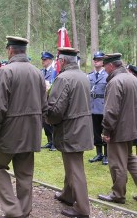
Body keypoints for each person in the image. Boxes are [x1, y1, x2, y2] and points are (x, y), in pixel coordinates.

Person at [0, 36, 47, 218]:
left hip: (8, 132)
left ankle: (13, 211)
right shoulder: (37, 72)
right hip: (31, 132)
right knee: (25, 173)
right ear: (24, 51)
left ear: (10, 50)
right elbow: (45, 105)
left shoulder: (6, 72)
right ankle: (24, 211)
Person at [46, 47, 93, 218]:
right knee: (71, 165)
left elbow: (56, 109)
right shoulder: (83, 76)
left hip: (70, 129)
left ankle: (82, 208)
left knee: (75, 169)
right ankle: (67, 194)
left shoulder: (64, 78)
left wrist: (47, 117)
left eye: (58, 60)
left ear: (63, 61)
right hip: (82, 127)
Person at [98, 53, 137, 204]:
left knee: (117, 163)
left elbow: (111, 110)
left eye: (105, 66)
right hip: (131, 128)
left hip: (118, 130)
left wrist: (106, 131)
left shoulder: (115, 82)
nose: (104, 69)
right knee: (130, 160)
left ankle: (118, 194)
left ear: (111, 65)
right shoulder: (133, 78)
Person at [88, 51, 109, 165]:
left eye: (99, 59)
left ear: (103, 62)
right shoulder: (90, 75)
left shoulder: (107, 75)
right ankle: (99, 153)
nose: (96, 61)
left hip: (103, 107)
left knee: (105, 131)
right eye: (95, 59)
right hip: (92, 107)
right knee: (95, 132)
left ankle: (107, 155)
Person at [40, 51, 56, 151]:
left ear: (50, 60)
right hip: (43, 100)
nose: (43, 61)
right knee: (45, 122)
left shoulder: (54, 72)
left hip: (52, 99)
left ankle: (55, 142)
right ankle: (49, 140)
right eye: (42, 59)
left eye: (45, 59)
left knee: (52, 121)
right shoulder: (41, 72)